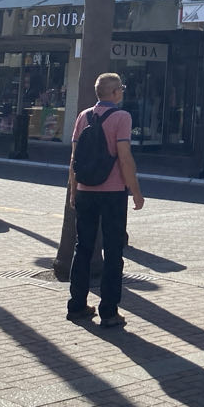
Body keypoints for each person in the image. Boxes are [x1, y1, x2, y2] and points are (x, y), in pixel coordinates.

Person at [66, 72, 144, 329]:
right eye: (121, 88)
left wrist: (74, 190)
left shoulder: (83, 116)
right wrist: (135, 190)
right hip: (112, 192)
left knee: (83, 248)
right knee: (113, 251)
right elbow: (124, 156)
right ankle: (109, 312)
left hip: (85, 189)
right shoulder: (122, 117)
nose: (122, 92)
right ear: (115, 92)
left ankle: (77, 305)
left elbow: (74, 157)